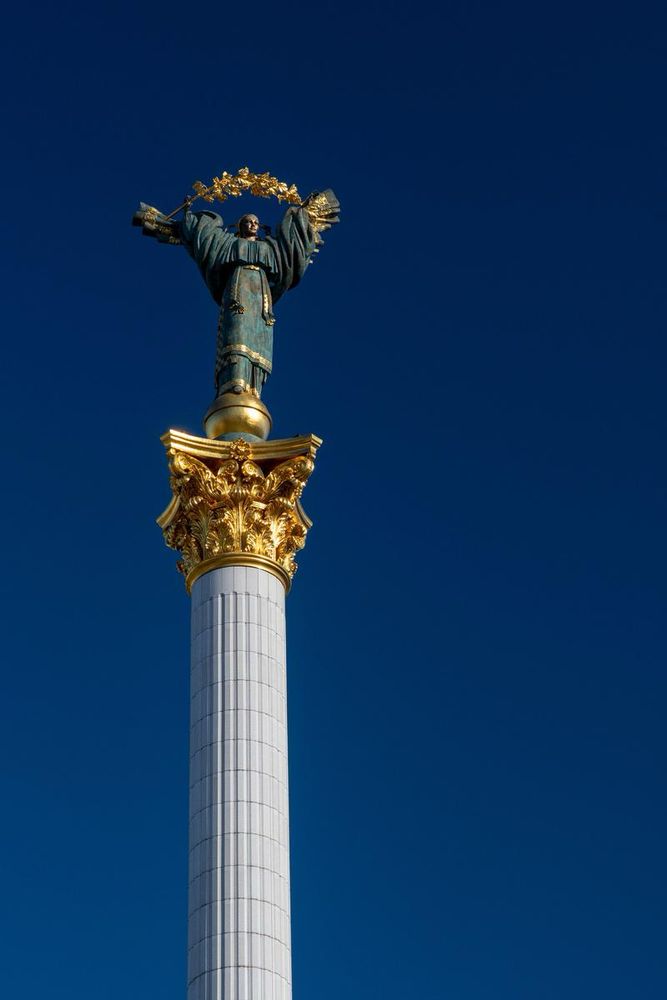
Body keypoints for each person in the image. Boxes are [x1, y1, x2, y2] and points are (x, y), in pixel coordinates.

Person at [133, 191, 339, 399]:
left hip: (261, 298)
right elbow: (204, 236)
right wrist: (190, 216)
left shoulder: (271, 248)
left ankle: (254, 389)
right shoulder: (228, 244)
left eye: (256, 222)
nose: (253, 225)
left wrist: (302, 215)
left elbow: (291, 244)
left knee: (259, 339)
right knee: (237, 332)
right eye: (248, 221)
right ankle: (234, 382)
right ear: (240, 225)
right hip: (237, 293)